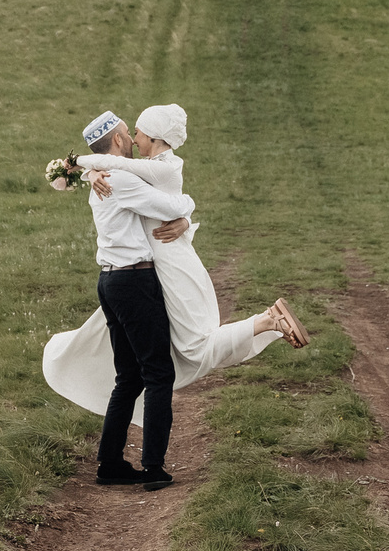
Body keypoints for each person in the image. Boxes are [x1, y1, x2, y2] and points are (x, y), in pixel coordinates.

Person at [40, 105, 307, 490]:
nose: (133, 138)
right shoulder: (120, 179)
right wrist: (186, 213)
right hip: (134, 283)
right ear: (117, 140)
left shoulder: (107, 177)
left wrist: (87, 168)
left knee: (129, 376)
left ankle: (111, 463)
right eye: (128, 133)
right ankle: (152, 467)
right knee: (158, 373)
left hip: (111, 281)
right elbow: (169, 206)